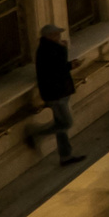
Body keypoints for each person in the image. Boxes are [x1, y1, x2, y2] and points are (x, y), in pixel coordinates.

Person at [23, 24, 83, 166]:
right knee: (67, 123)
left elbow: (59, 66)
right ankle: (35, 132)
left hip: (59, 91)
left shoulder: (51, 48)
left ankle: (65, 156)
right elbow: (57, 69)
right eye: (56, 34)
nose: (59, 36)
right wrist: (64, 51)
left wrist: (67, 59)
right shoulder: (47, 50)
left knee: (60, 126)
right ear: (48, 36)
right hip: (56, 93)